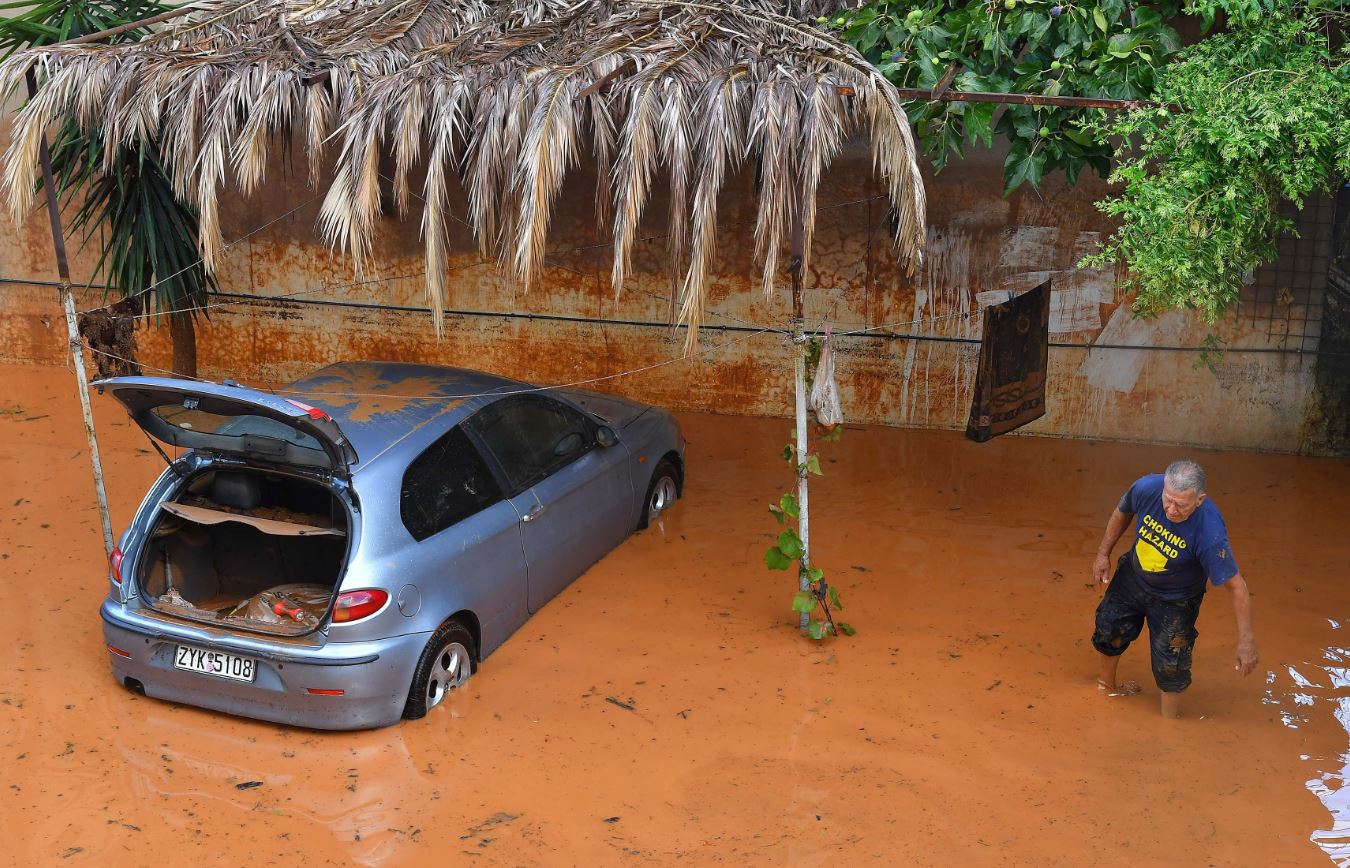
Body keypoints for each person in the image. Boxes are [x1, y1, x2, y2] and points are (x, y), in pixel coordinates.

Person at [1090, 460, 1259, 719]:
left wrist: (1246, 641)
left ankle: (1171, 725)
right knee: (1109, 629)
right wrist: (1103, 554)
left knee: (1171, 665)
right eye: (1167, 500)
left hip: (1176, 600)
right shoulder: (1146, 487)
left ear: (1199, 500)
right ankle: (1106, 687)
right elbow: (1123, 511)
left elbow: (1237, 586)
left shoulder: (1210, 534)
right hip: (1133, 575)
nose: (1171, 510)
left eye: (1180, 505)